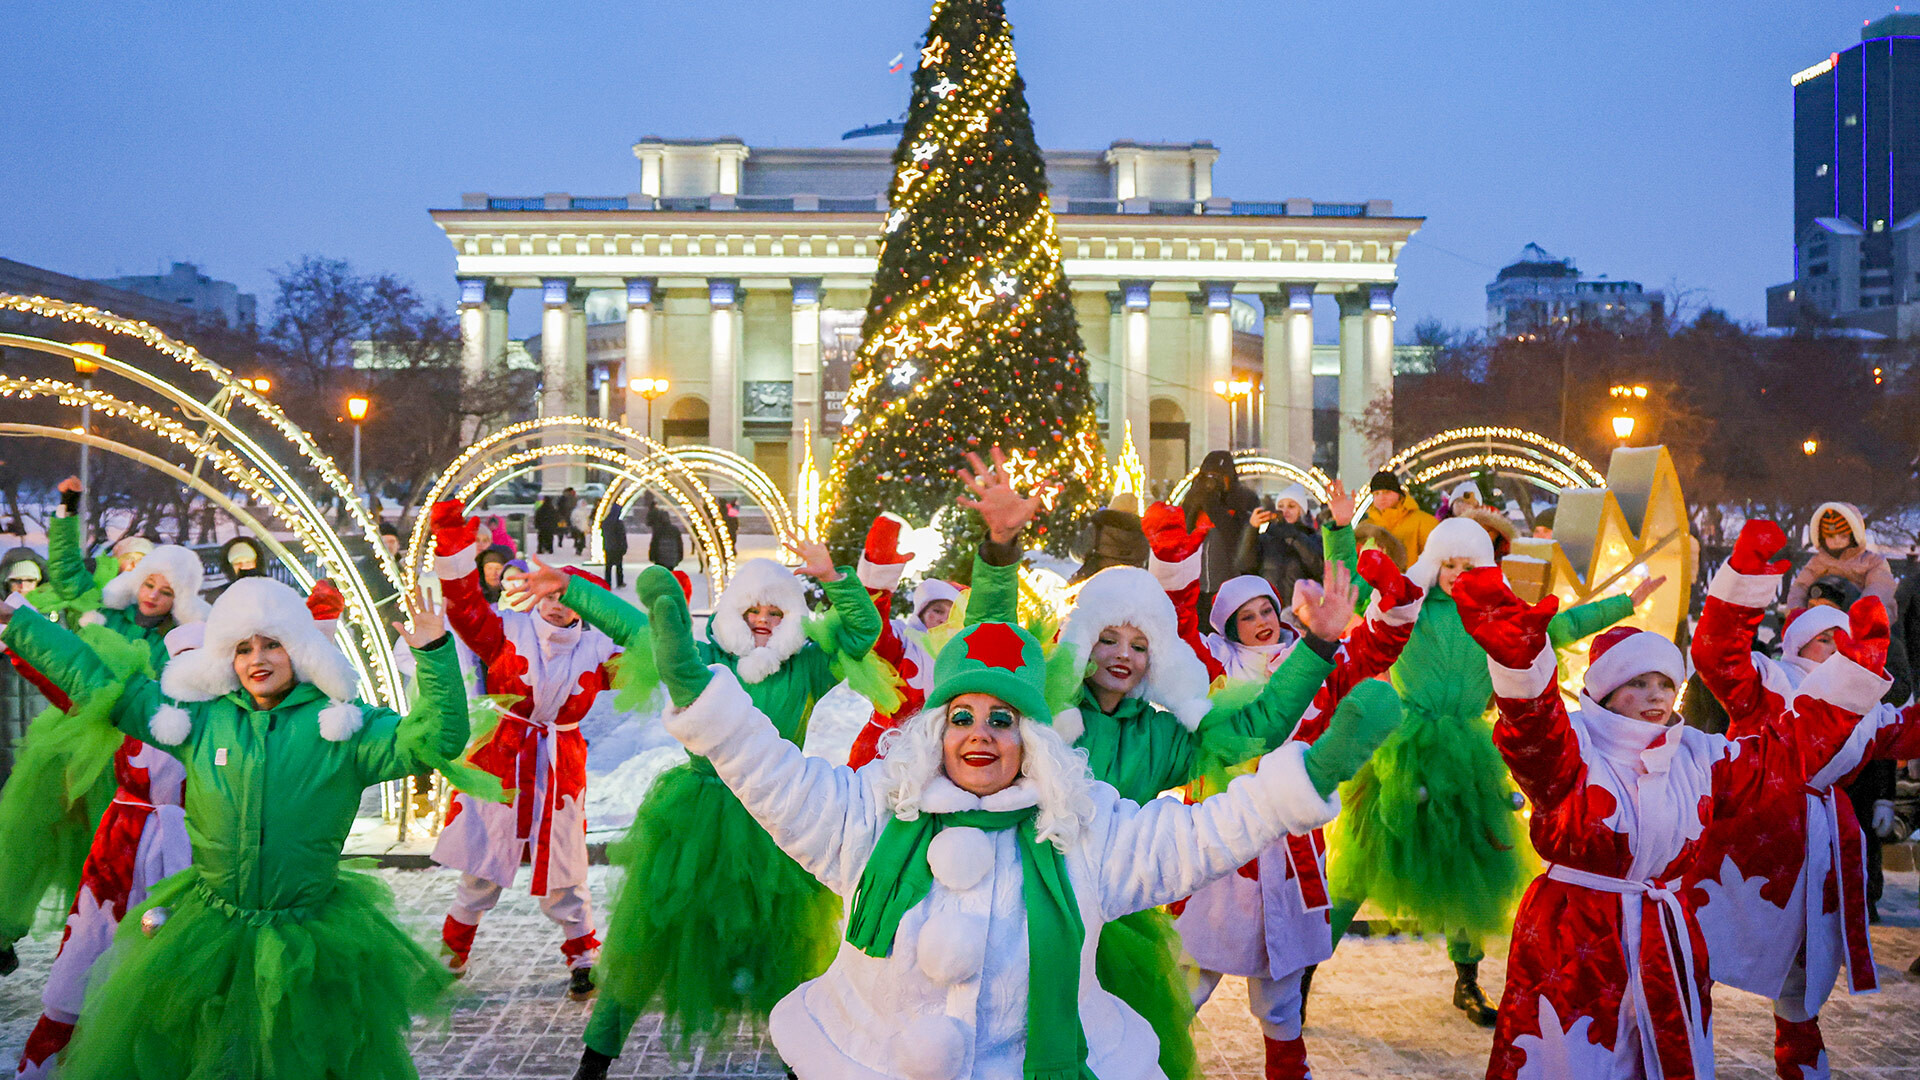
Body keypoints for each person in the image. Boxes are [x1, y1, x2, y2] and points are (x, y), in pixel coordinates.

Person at [611, 561, 1401, 1080]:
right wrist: (698, 693)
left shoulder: (1081, 833)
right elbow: (771, 774)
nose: (981, 735)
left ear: (1032, 735)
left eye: (1003, 720)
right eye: (963, 717)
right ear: (936, 729)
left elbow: (1201, 835)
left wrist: (1311, 775)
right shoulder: (873, 818)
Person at [958, 448, 1359, 1080]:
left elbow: (1255, 728)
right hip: (1019, 912)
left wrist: (1317, 645)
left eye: (1139, 645)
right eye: (1109, 638)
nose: (1122, 655)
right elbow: (985, 647)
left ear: (1157, 658)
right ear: (1083, 642)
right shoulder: (1038, 713)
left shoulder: (1163, 737)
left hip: (1114, 919)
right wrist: (1001, 548)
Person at [1452, 551, 1906, 1080]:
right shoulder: (1574, 747)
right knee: (1575, 1059)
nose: (1654, 697)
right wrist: (1522, 666)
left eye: (1665, 684)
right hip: (1576, 939)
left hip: (1667, 938)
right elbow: (1532, 735)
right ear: (1604, 690)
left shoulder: (1698, 754)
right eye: (1637, 684)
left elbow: (1786, 753)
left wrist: (1851, 679)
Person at [0, 578, 469, 1080]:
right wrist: (24, 627)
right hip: (210, 932)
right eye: (242, 648)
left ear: (300, 648)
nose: (257, 659)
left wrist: (435, 653)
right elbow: (101, 684)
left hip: (306, 940)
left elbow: (437, 741)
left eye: (272, 644)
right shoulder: (199, 720)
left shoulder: (346, 728)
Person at [556, 540, 883, 1079]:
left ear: (790, 617)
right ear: (733, 612)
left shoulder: (806, 667)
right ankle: (596, 1058)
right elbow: (641, 631)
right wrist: (571, 589)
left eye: (774, 612)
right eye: (752, 610)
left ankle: (802, 1062)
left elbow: (861, 633)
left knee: (786, 951)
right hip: (696, 819)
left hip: (776, 821)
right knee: (647, 942)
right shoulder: (708, 659)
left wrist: (835, 579)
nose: (761, 620)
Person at [1323, 515, 1648, 1027]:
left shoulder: (1496, 616)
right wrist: (1339, 530)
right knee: (1362, 858)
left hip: (1469, 755)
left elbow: (1559, 627)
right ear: (1433, 562)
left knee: (1469, 864)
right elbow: (1345, 585)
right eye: (1447, 563)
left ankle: (1467, 979)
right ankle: (1300, 971)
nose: (1455, 573)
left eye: (1466, 564)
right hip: (1402, 748)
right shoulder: (1409, 606)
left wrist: (1625, 603)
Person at [1171, 485, 1428, 1080]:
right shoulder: (1212, 669)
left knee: (1281, 996)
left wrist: (1345, 538)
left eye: (1266, 610)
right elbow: (1177, 630)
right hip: (1220, 839)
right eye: (1247, 617)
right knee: (1187, 980)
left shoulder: (1314, 657)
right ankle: (1150, 1062)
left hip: (1288, 848)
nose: (1261, 623)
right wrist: (1176, 562)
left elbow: (1377, 638)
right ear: (1228, 626)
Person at [1687, 521, 1920, 1079]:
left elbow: (1906, 730)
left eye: (1847, 640)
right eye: (1826, 639)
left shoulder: (1865, 701)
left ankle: (1802, 1065)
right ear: (1797, 644)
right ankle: (1681, 1052)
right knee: (1704, 949)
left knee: (1801, 974)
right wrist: (1743, 578)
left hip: (1815, 849)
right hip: (1747, 839)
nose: (1839, 649)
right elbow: (1717, 655)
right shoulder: (1771, 680)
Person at [427, 500, 623, 999]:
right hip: (502, 761)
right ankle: (452, 953)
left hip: (560, 769)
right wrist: (453, 547)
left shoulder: (603, 652)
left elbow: (653, 652)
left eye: (569, 596)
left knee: (565, 868)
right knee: (481, 865)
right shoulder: (506, 631)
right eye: (551, 594)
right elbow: (465, 607)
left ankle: (582, 954)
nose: (558, 605)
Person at [10, 623, 198, 1080]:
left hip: (193, 856)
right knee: (85, 957)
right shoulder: (138, 704)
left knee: (176, 970)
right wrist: (20, 634)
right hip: (118, 854)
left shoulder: (233, 718)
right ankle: (48, 1062)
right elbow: (73, 681)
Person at [846, 513, 962, 769]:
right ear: (922, 614)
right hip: (883, 756)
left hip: (945, 761)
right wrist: (879, 566)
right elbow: (871, 625)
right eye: (936, 610)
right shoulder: (903, 644)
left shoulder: (968, 654)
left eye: (950, 611)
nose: (943, 619)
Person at [1182, 450, 1260, 622]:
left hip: (1228, 587)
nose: (1211, 481)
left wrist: (1212, 505)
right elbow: (1183, 534)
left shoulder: (1243, 499)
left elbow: (1236, 538)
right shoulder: (1194, 499)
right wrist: (1196, 500)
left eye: (1217, 476)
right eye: (1207, 476)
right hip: (1195, 587)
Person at [1787, 501, 1895, 612]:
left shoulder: (1872, 562)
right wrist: (1796, 609)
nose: (1837, 541)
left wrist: (1864, 610)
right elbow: (1801, 587)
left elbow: (1879, 587)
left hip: (1856, 618)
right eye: (1830, 537)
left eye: (1843, 536)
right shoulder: (1818, 562)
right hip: (1821, 618)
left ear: (1854, 535)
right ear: (1822, 538)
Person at [1252, 483, 1323, 610]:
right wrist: (1251, 529)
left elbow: (1318, 567)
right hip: (1269, 607)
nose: (1285, 511)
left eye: (1291, 506)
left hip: (1300, 610)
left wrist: (1295, 537)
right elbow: (1245, 565)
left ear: (1301, 511)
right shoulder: (1266, 538)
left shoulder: (1312, 538)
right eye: (1280, 506)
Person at [1362, 470, 1437, 569]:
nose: (1381, 497)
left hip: (1411, 581)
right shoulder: (1365, 528)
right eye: (1376, 494)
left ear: (1398, 494)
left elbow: (1436, 557)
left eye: (1386, 492)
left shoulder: (1423, 522)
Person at [1071, 494, 1150, 582]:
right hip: (1131, 584)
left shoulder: (1098, 527)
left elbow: (1078, 552)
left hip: (1098, 580)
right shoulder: (1143, 533)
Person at [645, 503, 683, 570]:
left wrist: (652, 557)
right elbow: (679, 544)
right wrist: (679, 557)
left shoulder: (658, 530)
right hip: (672, 559)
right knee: (669, 574)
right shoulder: (674, 530)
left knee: (662, 575)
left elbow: (654, 545)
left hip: (660, 560)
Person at [598, 504, 628, 588]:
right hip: (617, 547)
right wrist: (624, 546)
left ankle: (608, 582)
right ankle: (620, 582)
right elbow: (622, 536)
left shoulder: (605, 522)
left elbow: (603, 534)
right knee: (619, 565)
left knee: (608, 566)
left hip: (608, 546)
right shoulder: (618, 523)